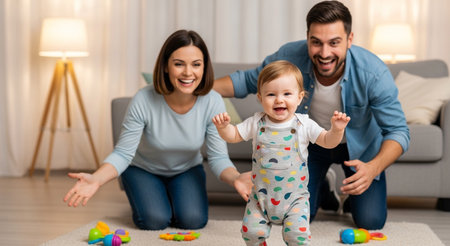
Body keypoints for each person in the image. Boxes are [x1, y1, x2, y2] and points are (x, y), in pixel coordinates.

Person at [213, 1, 410, 230]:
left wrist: (373, 168)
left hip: (360, 150)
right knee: (297, 218)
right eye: (316, 42)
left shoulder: (373, 73)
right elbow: (246, 81)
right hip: (310, 144)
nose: (325, 53)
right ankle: (323, 186)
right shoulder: (289, 56)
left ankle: (348, 196)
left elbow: (398, 131)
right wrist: (198, 88)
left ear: (350, 39)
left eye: (334, 43)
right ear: (307, 38)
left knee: (370, 221)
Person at [63, 29, 252, 230]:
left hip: (186, 170)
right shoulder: (144, 99)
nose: (188, 73)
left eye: (196, 65)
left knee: (192, 220)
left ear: (204, 68)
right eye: (179, 64)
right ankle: (151, 197)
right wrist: (96, 179)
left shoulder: (212, 101)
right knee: (154, 220)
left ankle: (169, 197)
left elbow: (218, 157)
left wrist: (236, 178)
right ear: (165, 66)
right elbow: (123, 153)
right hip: (143, 170)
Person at [213, 60, 350, 245]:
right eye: (271, 94)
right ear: (260, 98)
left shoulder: (304, 124)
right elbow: (233, 135)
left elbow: (328, 141)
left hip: (295, 200)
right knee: (250, 232)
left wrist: (337, 130)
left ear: (300, 97)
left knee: (297, 236)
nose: (279, 99)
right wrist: (223, 128)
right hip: (260, 199)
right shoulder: (256, 122)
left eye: (287, 94)